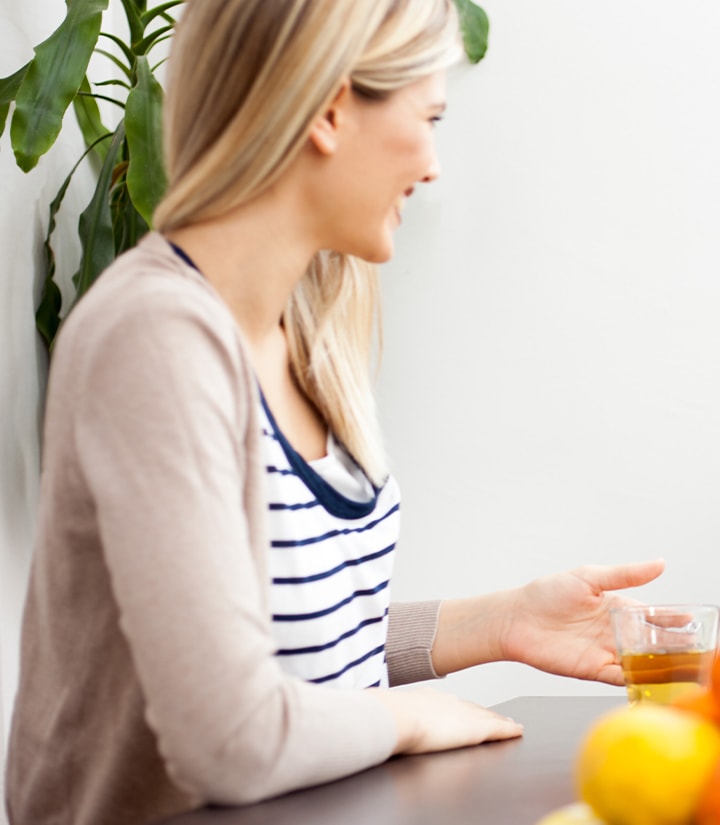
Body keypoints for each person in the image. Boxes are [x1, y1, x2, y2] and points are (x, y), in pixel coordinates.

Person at [4, 1, 663, 823]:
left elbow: (285, 645)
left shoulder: (307, 332)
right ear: (328, 110)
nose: (432, 165)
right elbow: (231, 732)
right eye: (428, 117)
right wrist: (412, 718)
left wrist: (502, 621)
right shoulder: (155, 339)